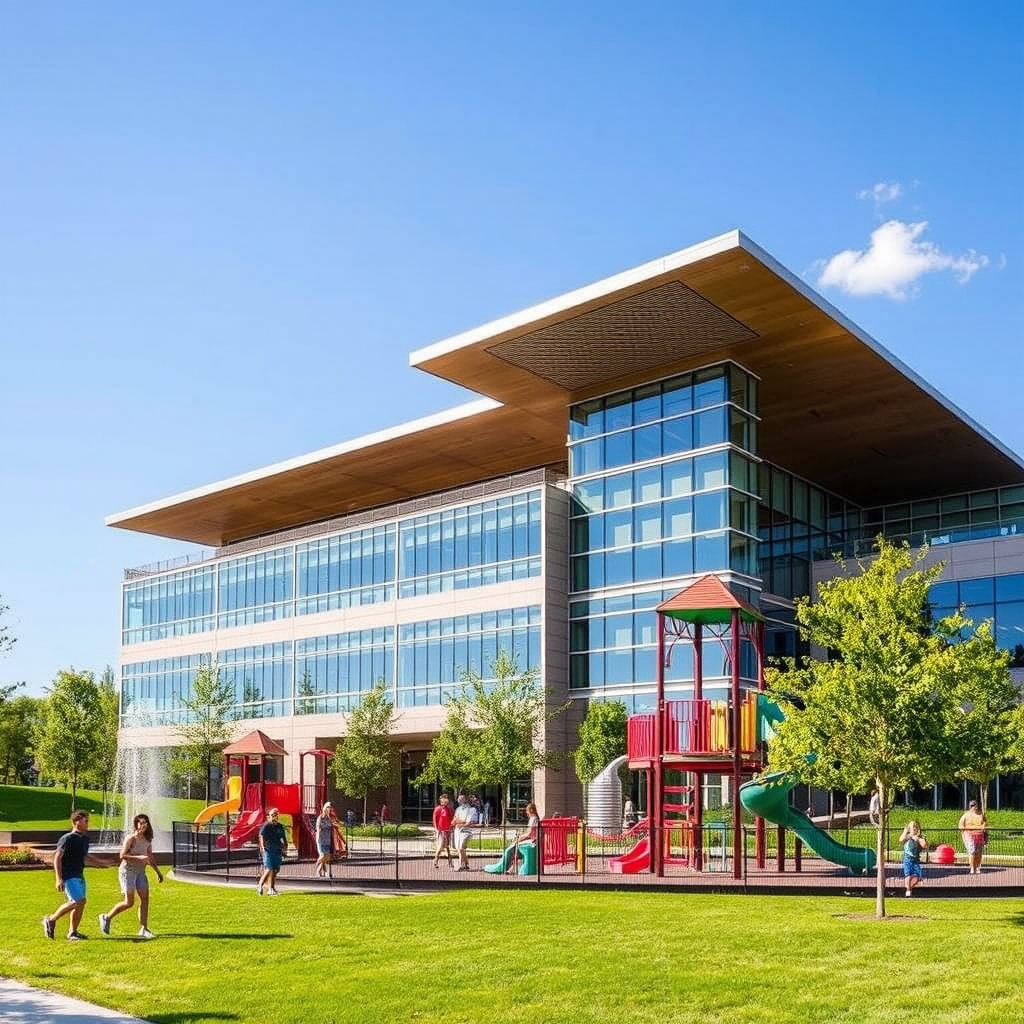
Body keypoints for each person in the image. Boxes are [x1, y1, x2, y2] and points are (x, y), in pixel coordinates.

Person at [42, 810, 110, 941]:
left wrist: (101, 863)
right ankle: (51, 919)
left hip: (79, 875)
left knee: (80, 903)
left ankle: (72, 932)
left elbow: (85, 856)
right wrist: (58, 878)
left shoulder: (84, 839)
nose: (87, 823)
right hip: (68, 875)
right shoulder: (67, 838)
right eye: (85, 821)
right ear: (76, 821)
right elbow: (57, 857)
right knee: (78, 901)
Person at [99, 813, 164, 939]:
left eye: (145, 822)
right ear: (136, 825)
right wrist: (138, 857)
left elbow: (150, 857)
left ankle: (144, 929)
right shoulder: (131, 838)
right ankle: (106, 917)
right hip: (128, 871)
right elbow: (122, 855)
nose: (143, 825)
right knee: (129, 902)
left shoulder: (147, 840)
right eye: (140, 823)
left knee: (145, 899)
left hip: (141, 872)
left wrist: (158, 872)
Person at [257, 807, 288, 895]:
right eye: (272, 815)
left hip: (278, 850)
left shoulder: (280, 826)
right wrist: (263, 847)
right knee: (269, 868)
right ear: (269, 816)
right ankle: (260, 885)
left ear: (278, 815)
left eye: (275, 814)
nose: (273, 816)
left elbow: (283, 838)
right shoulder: (267, 825)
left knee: (275, 870)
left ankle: (272, 889)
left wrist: (285, 848)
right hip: (268, 850)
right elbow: (261, 836)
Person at [508, 802, 541, 874]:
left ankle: (513, 868)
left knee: (516, 845)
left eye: (527, 810)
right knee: (516, 844)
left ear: (531, 810)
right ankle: (514, 867)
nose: (526, 813)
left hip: (533, 841)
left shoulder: (533, 819)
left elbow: (529, 834)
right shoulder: (534, 818)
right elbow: (529, 833)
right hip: (533, 839)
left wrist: (520, 838)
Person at [958, 799, 989, 875]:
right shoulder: (965, 815)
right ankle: (972, 868)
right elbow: (960, 826)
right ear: (970, 807)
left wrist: (984, 831)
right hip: (970, 835)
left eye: (975, 805)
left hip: (980, 835)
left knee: (979, 852)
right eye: (972, 806)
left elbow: (985, 824)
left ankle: (978, 867)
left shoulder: (981, 815)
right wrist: (967, 832)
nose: (974, 807)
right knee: (972, 851)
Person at [899, 820, 928, 897]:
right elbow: (901, 839)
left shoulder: (920, 837)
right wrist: (905, 832)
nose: (914, 829)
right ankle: (908, 891)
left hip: (916, 860)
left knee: (918, 877)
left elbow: (924, 845)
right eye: (912, 827)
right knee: (908, 875)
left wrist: (918, 839)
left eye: (916, 827)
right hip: (907, 859)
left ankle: (909, 888)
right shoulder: (907, 836)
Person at [452, 794, 479, 871]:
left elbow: (468, 821)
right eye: (459, 799)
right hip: (458, 830)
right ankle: (466, 864)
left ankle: (460, 865)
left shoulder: (471, 809)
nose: (460, 801)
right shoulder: (458, 809)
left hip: (466, 831)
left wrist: (461, 823)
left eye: (462, 799)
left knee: (461, 847)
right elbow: (455, 819)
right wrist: (457, 822)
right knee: (459, 848)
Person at [432, 792, 454, 868]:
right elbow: (435, 819)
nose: (444, 803)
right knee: (440, 845)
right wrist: (436, 829)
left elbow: (451, 819)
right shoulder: (438, 808)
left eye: (445, 801)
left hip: (448, 830)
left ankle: (450, 862)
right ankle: (435, 860)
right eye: (442, 801)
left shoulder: (449, 809)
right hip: (441, 830)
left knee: (447, 847)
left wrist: (452, 827)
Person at [314, 802, 334, 878]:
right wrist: (318, 837)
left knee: (327, 857)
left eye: (330, 808)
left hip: (327, 839)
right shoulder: (320, 817)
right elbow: (318, 828)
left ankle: (320, 871)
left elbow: (330, 826)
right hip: (321, 839)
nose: (329, 809)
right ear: (324, 808)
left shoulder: (328, 818)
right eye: (327, 807)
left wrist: (333, 825)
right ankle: (317, 865)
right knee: (322, 855)